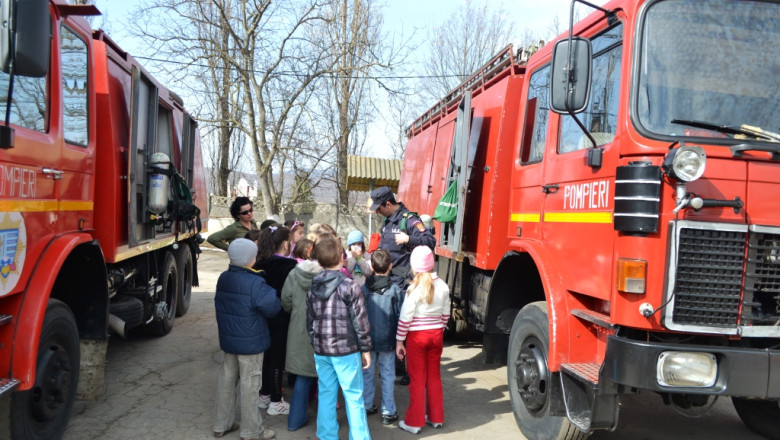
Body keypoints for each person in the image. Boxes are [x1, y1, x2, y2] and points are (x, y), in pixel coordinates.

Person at [213, 238, 280, 440]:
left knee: (226, 382)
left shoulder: (224, 278)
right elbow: (273, 307)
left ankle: (221, 425)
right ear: (251, 259)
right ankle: (251, 431)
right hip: (251, 344)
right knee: (250, 387)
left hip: (229, 341)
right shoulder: (255, 283)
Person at [307, 237, 373, 440]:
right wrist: (366, 349)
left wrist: (316, 343)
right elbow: (360, 321)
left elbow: (310, 322)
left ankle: (327, 436)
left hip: (322, 350)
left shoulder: (312, 287)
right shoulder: (349, 286)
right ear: (341, 257)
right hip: (346, 351)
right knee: (354, 397)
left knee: (326, 394)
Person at [395, 246, 451, 435]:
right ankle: (436, 418)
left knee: (417, 380)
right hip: (436, 335)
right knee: (434, 377)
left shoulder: (413, 288)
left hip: (417, 337)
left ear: (414, 266)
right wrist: (439, 329)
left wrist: (399, 341)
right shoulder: (443, 286)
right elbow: (446, 314)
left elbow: (405, 317)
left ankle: (414, 422)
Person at [254, 226, 298, 416]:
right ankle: (276, 401)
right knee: (277, 359)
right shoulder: (289, 266)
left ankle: (264, 394)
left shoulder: (260, 263)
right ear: (286, 244)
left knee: (267, 356)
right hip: (281, 318)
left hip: (262, 316)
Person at [281, 245, 322, 431]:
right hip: (322, 331)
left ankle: (295, 421)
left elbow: (286, 301)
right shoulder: (327, 277)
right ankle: (324, 422)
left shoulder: (294, 273)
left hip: (298, 328)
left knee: (303, 377)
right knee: (325, 380)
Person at [361, 249, 403, 425]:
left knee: (368, 374)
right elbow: (401, 315)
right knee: (387, 375)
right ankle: (388, 411)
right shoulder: (395, 290)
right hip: (388, 340)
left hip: (368, 340)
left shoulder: (363, 288)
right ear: (391, 266)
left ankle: (367, 405)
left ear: (371, 266)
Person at [369, 186, 435, 290]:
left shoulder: (409, 220)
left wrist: (408, 239)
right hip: (385, 281)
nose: (377, 212)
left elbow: (430, 241)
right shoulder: (387, 221)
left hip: (401, 284)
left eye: (379, 208)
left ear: (388, 204)